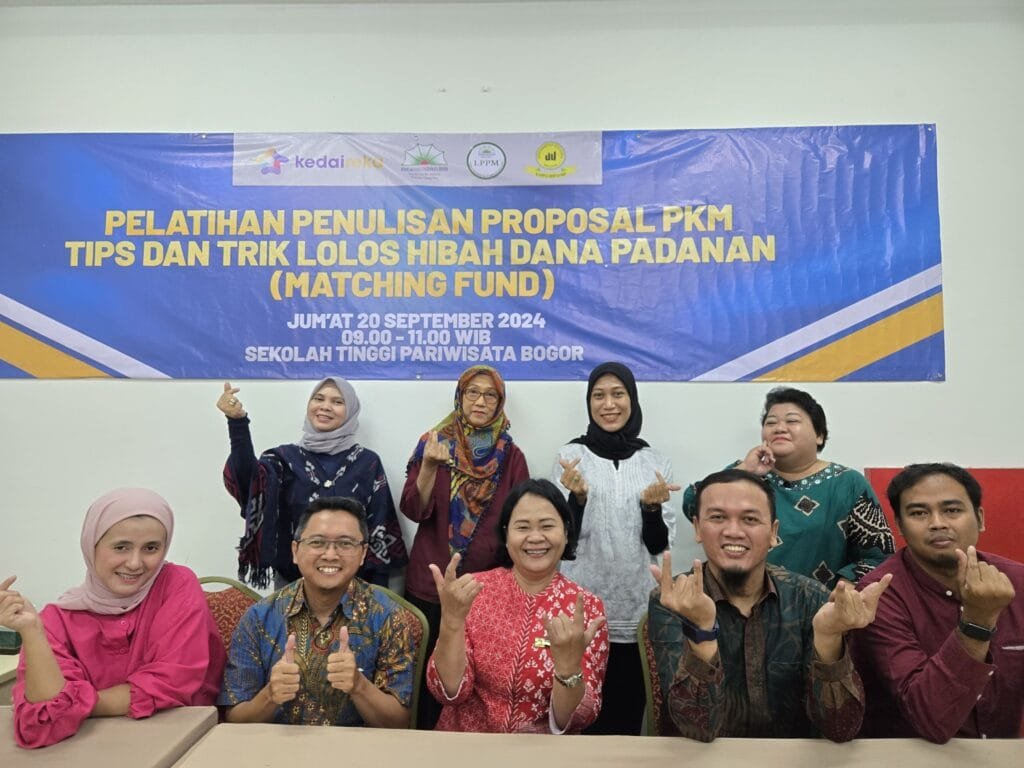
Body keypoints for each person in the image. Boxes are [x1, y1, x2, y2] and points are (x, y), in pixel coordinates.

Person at [649, 468, 892, 741]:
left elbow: (840, 728)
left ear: (774, 532)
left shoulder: (810, 598)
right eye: (717, 517)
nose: (733, 531)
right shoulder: (674, 600)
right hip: (706, 756)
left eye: (750, 519)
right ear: (697, 528)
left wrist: (828, 638)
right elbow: (696, 728)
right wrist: (702, 631)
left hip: (793, 757)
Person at [0, 488, 225, 749]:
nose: (135, 563)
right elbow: (42, 722)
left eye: (151, 548)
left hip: (183, 742)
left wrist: (74, 705)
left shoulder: (176, 584)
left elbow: (172, 683)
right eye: (121, 547)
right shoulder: (56, 620)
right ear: (91, 545)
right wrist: (31, 632)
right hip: (85, 751)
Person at [551, 361, 689, 735]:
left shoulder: (654, 461)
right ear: (589, 403)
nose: (608, 404)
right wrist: (577, 499)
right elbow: (560, 544)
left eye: (618, 394)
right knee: (577, 716)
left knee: (626, 719)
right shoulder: (571, 457)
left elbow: (659, 545)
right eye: (599, 396)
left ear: (632, 400)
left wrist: (651, 508)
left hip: (637, 609)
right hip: (582, 611)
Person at [849, 463, 1024, 742]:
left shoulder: (1018, 581)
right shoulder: (879, 593)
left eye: (952, 510)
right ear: (899, 526)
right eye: (918, 513)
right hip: (907, 756)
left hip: (1000, 753)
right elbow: (931, 719)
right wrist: (977, 623)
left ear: (979, 518)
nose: (937, 523)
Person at [399, 364, 529, 729]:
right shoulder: (434, 444)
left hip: (485, 591)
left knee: (477, 683)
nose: (480, 401)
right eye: (473, 392)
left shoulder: (511, 456)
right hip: (430, 587)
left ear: (500, 403)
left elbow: (519, 521)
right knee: (426, 684)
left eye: (490, 395)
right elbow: (413, 509)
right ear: (460, 397)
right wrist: (429, 466)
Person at [427, 478, 609, 733]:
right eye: (523, 527)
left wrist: (568, 670)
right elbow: (448, 692)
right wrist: (451, 624)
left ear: (566, 533)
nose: (535, 537)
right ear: (506, 534)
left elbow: (576, 719)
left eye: (547, 526)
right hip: (468, 745)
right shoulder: (472, 592)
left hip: (543, 750)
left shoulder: (586, 607)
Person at [220, 496, 414, 727]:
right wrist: (270, 696)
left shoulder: (387, 616)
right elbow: (234, 718)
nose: (330, 555)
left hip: (357, 747)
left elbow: (399, 723)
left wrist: (359, 686)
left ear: (363, 553)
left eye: (345, 544)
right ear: (295, 550)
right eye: (317, 542)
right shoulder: (259, 618)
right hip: (278, 745)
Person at [682, 387, 894, 587]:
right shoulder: (746, 476)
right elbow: (692, 504)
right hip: (741, 600)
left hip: (823, 606)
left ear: (819, 435)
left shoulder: (847, 483)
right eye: (771, 423)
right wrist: (745, 470)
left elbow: (879, 555)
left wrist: (842, 591)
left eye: (792, 421)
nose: (779, 428)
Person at [218, 377, 407, 589]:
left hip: (354, 584)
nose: (325, 406)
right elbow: (248, 481)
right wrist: (237, 423)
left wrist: (378, 589)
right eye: (319, 399)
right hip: (292, 583)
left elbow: (381, 525)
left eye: (337, 402)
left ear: (351, 411)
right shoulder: (283, 460)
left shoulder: (367, 463)